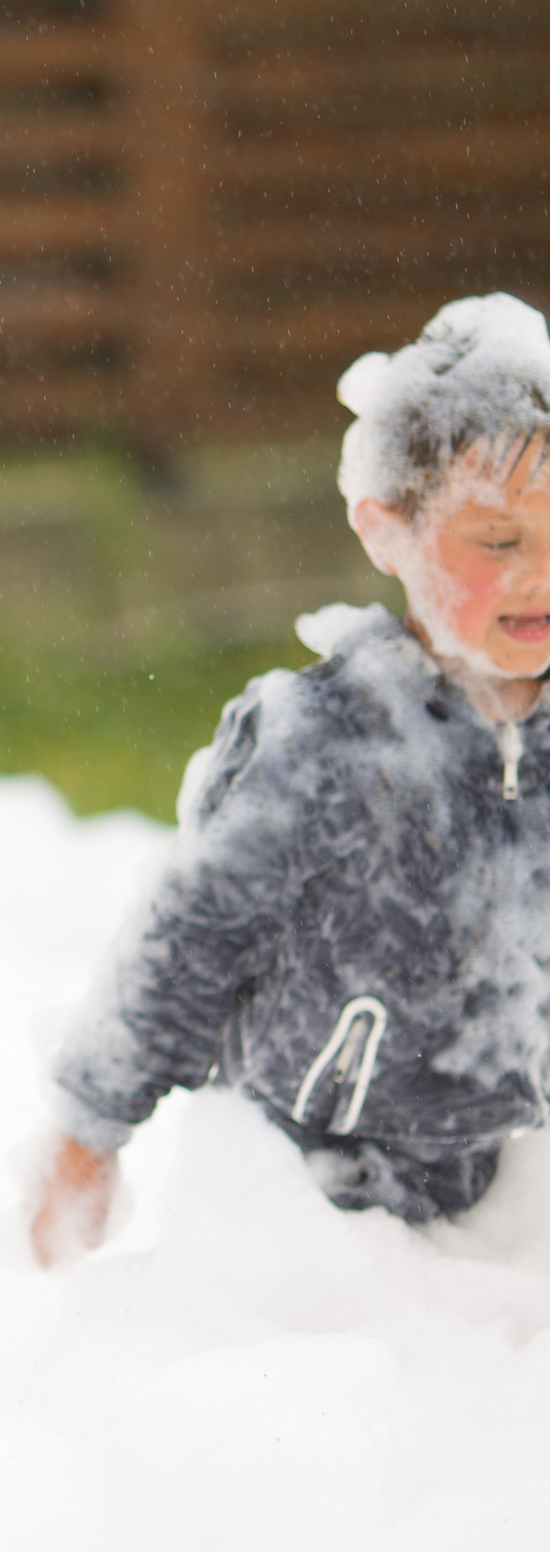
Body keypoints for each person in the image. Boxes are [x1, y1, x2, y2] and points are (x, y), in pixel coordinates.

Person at [31, 295, 550, 1260]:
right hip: (302, 1204)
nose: (543, 576)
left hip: (504, 1199)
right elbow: (189, 940)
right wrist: (85, 1134)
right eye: (500, 542)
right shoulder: (325, 745)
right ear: (388, 530)